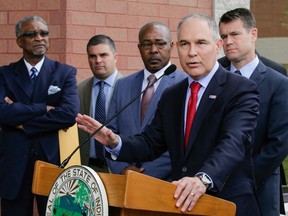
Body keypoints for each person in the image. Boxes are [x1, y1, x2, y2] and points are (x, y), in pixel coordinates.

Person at [76, 13, 261, 215]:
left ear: (217, 46)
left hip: (227, 204)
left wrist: (203, 179)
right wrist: (115, 142)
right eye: (184, 44)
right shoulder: (173, 94)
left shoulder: (240, 89)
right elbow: (150, 143)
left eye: (200, 43)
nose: (191, 52)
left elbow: (233, 142)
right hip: (180, 204)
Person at [0, 15, 79, 216]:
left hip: (53, 162)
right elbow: (2, 111)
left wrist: (24, 123)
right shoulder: (5, 74)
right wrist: (43, 108)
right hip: (14, 164)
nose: (39, 38)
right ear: (19, 41)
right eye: (31, 34)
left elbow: (68, 114)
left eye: (43, 33)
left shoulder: (65, 73)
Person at [218, 8, 288, 216]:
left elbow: (279, 143)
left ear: (253, 34)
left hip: (259, 188)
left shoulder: (279, 82)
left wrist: (244, 179)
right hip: (213, 187)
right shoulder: (214, 74)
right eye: (223, 36)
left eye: (234, 34)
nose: (228, 41)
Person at [106, 22, 187, 181]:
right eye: (146, 44)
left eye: (160, 43)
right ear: (139, 48)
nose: (153, 50)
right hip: (125, 182)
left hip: (167, 184)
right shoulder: (123, 85)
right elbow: (109, 133)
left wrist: (146, 176)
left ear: (171, 46)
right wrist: (123, 169)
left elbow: (184, 142)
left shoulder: (185, 84)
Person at [77, 34, 123, 173]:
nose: (98, 60)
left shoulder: (130, 88)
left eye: (103, 55)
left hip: (119, 169)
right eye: (92, 56)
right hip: (87, 168)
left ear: (115, 57)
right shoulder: (78, 90)